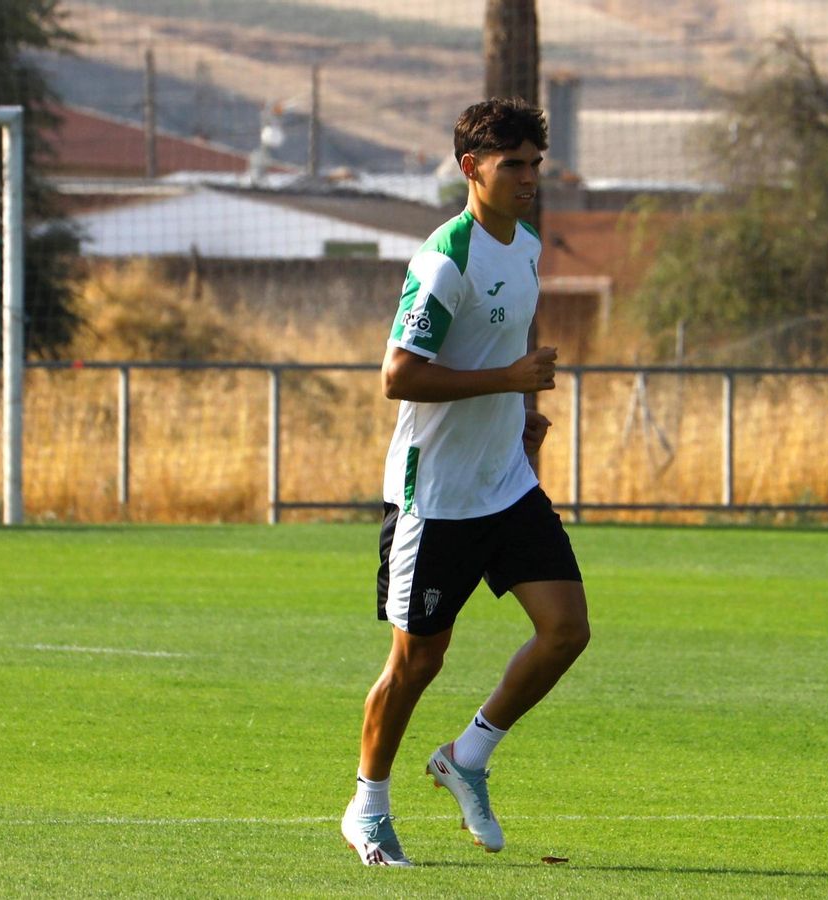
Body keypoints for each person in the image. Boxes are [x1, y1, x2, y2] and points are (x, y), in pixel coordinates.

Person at [340, 97, 590, 867]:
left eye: (535, 164)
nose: (528, 178)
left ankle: (467, 757)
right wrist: (508, 381)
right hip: (438, 494)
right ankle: (367, 807)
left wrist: (522, 413)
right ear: (471, 168)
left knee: (566, 631)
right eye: (512, 165)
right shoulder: (444, 258)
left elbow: (508, 345)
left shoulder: (528, 248)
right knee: (417, 662)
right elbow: (398, 376)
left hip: (504, 480)